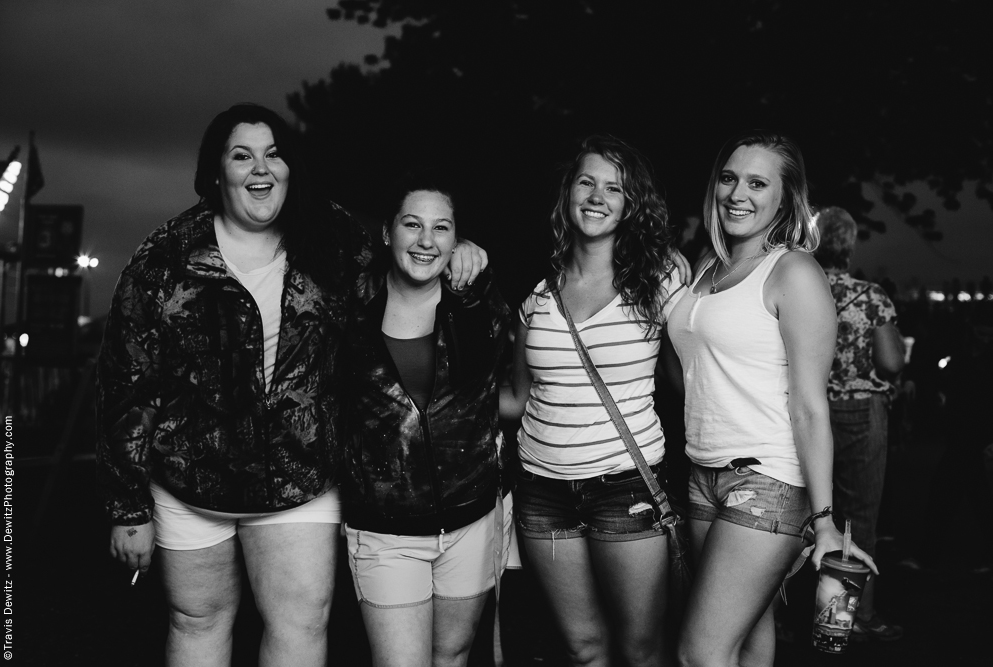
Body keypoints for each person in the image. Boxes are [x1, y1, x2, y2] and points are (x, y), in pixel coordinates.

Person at [96, 104, 487, 667]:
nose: (261, 168)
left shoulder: (331, 239)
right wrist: (126, 505)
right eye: (242, 155)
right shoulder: (165, 258)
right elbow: (125, 383)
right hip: (189, 483)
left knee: (300, 623)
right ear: (215, 173)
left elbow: (411, 258)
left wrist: (462, 250)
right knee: (198, 621)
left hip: (298, 479)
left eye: (274, 153)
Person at [665, 131, 878, 667]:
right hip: (702, 472)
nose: (738, 193)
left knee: (700, 651)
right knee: (748, 635)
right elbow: (692, 373)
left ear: (786, 199)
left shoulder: (793, 272)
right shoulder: (706, 269)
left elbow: (810, 406)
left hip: (768, 479)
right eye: (729, 178)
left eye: (758, 183)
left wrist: (824, 520)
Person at [500, 135, 686, 667]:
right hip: (541, 490)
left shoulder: (662, 276)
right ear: (568, 193)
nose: (597, 195)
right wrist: (433, 391)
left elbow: (694, 369)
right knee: (582, 648)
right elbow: (516, 398)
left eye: (614, 187)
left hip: (625, 486)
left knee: (641, 648)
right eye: (587, 181)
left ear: (630, 205)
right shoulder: (537, 295)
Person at [341, 183, 511, 667]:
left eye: (442, 228)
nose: (426, 240)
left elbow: (502, 382)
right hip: (385, 532)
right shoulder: (350, 306)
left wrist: (472, 284)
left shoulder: (477, 302)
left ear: (457, 241)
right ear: (386, 232)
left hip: (472, 522)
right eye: (412, 224)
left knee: (453, 656)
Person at [813, 206, 906, 641]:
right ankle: (856, 618)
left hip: (810, 412)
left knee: (802, 513)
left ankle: (780, 617)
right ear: (849, 245)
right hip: (863, 412)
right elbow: (890, 362)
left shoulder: (797, 288)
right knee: (861, 517)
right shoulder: (870, 296)